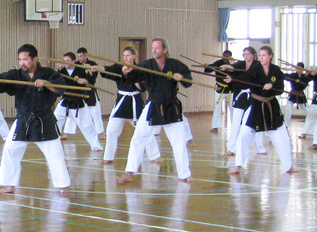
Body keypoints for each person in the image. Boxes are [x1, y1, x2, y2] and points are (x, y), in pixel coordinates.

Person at [0, 44, 70, 195]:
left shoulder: (49, 73)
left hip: (44, 119)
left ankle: (63, 186)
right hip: (23, 119)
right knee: (10, 150)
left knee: (55, 153)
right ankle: (9, 185)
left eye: (25, 59)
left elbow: (60, 89)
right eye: (20, 60)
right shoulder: (15, 75)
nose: (22, 63)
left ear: (35, 59)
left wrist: (47, 84)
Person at [117, 38, 193, 185]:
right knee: (138, 138)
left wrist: (181, 78)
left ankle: (185, 174)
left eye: (157, 48)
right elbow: (136, 77)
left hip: (171, 106)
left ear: (164, 50)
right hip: (152, 105)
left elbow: (188, 82)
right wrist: (127, 72)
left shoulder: (175, 64)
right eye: (153, 48)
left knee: (179, 142)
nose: (154, 50)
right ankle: (129, 173)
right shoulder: (147, 65)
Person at [226, 46, 296, 176]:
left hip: (271, 106)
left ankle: (288, 166)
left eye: (264, 55)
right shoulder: (255, 68)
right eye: (260, 55)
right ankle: (238, 166)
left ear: (270, 56)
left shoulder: (275, 70)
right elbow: (245, 80)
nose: (262, 57)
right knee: (244, 135)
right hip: (255, 105)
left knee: (282, 137)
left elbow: (280, 87)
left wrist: (272, 86)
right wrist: (232, 80)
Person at [99, 46, 161, 164]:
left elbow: (142, 88)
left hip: (135, 103)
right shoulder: (118, 68)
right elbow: (106, 70)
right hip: (122, 102)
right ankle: (108, 157)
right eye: (124, 56)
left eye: (128, 55)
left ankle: (155, 155)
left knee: (144, 130)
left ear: (134, 56)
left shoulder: (140, 69)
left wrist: (133, 74)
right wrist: (95, 68)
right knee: (111, 130)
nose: (126, 58)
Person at [54, 50, 103, 153]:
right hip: (65, 101)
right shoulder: (62, 71)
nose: (65, 62)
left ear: (73, 61)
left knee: (87, 125)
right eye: (64, 61)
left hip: (78, 102)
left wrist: (85, 81)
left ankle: (96, 145)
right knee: (54, 121)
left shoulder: (80, 70)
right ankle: (52, 141)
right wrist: (59, 70)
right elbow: (56, 81)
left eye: (68, 60)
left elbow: (91, 80)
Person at [224, 47, 266, 157]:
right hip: (241, 95)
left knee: (256, 122)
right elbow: (232, 69)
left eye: (248, 54)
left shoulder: (258, 65)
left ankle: (260, 147)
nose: (245, 56)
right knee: (236, 122)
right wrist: (226, 68)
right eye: (244, 54)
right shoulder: (239, 65)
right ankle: (231, 148)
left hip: (254, 96)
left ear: (253, 55)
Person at [75, 48, 106, 136]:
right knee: (72, 112)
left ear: (86, 55)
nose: (79, 58)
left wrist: (86, 79)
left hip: (90, 90)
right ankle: (66, 133)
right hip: (79, 91)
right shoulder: (76, 64)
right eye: (78, 56)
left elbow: (93, 79)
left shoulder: (93, 65)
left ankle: (101, 132)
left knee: (95, 113)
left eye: (81, 56)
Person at [204, 49, 233, 132]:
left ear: (230, 56)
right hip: (220, 89)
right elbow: (209, 69)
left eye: (228, 56)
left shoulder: (234, 64)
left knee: (233, 109)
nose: (226, 58)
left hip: (231, 90)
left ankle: (235, 127)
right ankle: (215, 127)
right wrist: (207, 67)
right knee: (217, 108)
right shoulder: (218, 63)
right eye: (224, 56)